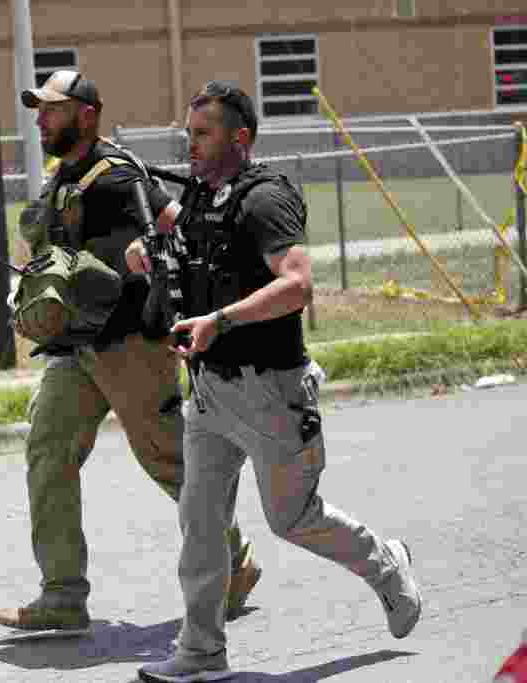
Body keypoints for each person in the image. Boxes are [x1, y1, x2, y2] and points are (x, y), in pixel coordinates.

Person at [127, 81, 423, 682]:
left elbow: (297, 285)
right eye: (187, 135)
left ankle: (387, 564)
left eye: (202, 134)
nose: (191, 145)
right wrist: (149, 252)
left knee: (293, 518)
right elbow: (187, 247)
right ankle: (202, 652)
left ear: (240, 138)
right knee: (201, 520)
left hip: (272, 393)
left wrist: (220, 320)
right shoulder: (207, 201)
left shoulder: (264, 199)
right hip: (210, 393)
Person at [0, 70, 262, 633]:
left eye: (53, 109)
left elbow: (183, 228)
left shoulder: (116, 174)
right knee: (49, 452)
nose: (41, 119)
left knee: (169, 461)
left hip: (131, 347)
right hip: (75, 347)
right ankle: (63, 595)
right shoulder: (63, 175)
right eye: (38, 110)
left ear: (86, 116)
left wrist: (154, 251)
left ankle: (233, 566)